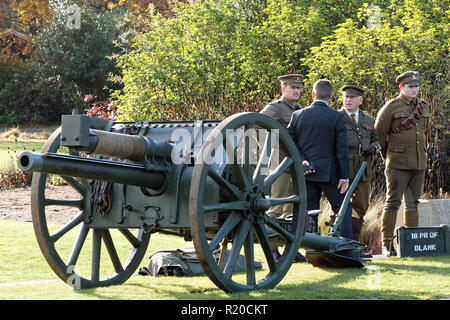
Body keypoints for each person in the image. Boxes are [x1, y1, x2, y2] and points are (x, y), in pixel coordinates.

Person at [287, 79, 353, 239]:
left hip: (306, 172)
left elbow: (289, 143)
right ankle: (345, 247)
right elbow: (342, 150)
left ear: (312, 94)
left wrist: (301, 159)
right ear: (331, 97)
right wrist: (344, 176)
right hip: (330, 174)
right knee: (343, 208)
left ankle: (310, 247)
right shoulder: (337, 117)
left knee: (309, 212)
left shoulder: (297, 115)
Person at [375, 71, 430, 256]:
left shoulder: (423, 106)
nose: (414, 90)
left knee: (413, 202)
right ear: (401, 87)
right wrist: (388, 157)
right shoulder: (391, 107)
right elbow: (380, 135)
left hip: (418, 162)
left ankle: (411, 242)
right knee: (393, 202)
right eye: (410, 87)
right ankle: (387, 244)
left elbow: (423, 132)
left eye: (416, 86)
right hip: (397, 163)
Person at [260, 73, 307, 262]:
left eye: (298, 88)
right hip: (279, 165)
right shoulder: (276, 108)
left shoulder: (300, 109)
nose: (296, 91)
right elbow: (257, 122)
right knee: (275, 209)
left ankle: (290, 249)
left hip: (295, 165)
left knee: (291, 212)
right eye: (292, 88)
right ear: (283, 89)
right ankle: (271, 249)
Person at [339, 85, 380, 243]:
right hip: (343, 168)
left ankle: (355, 244)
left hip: (363, 169)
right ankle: (339, 242)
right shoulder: (336, 117)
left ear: (360, 100)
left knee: (361, 207)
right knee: (340, 206)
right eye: (346, 97)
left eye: (352, 98)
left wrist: (373, 148)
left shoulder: (368, 119)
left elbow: (378, 141)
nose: (348, 100)